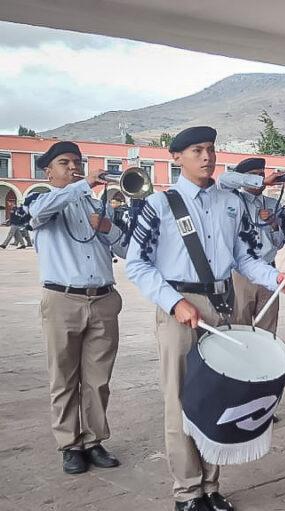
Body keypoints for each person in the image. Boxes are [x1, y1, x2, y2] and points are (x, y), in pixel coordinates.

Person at [125, 127, 285, 511]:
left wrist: (275, 276)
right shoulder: (160, 205)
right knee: (182, 398)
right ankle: (188, 491)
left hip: (222, 303)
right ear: (176, 158)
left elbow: (244, 257)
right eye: (197, 150)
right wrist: (173, 303)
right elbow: (136, 264)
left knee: (218, 397)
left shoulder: (230, 203)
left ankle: (211, 484)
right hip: (180, 307)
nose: (207, 157)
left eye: (211, 149)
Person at [28, 141, 129, 474]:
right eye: (64, 162)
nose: (73, 167)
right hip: (62, 300)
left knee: (98, 379)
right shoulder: (41, 198)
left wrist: (108, 228)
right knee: (64, 378)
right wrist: (83, 185)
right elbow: (38, 215)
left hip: (102, 298)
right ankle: (69, 444)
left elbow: (126, 249)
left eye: (77, 162)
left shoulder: (97, 205)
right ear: (48, 170)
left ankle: (93, 440)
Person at [218, 158, 285, 333]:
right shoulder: (233, 199)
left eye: (261, 174)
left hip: (269, 269)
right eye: (253, 176)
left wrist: (273, 224)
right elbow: (224, 179)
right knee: (240, 326)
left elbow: (279, 244)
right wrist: (261, 181)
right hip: (242, 274)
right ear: (242, 178)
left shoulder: (272, 204)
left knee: (268, 328)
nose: (259, 178)